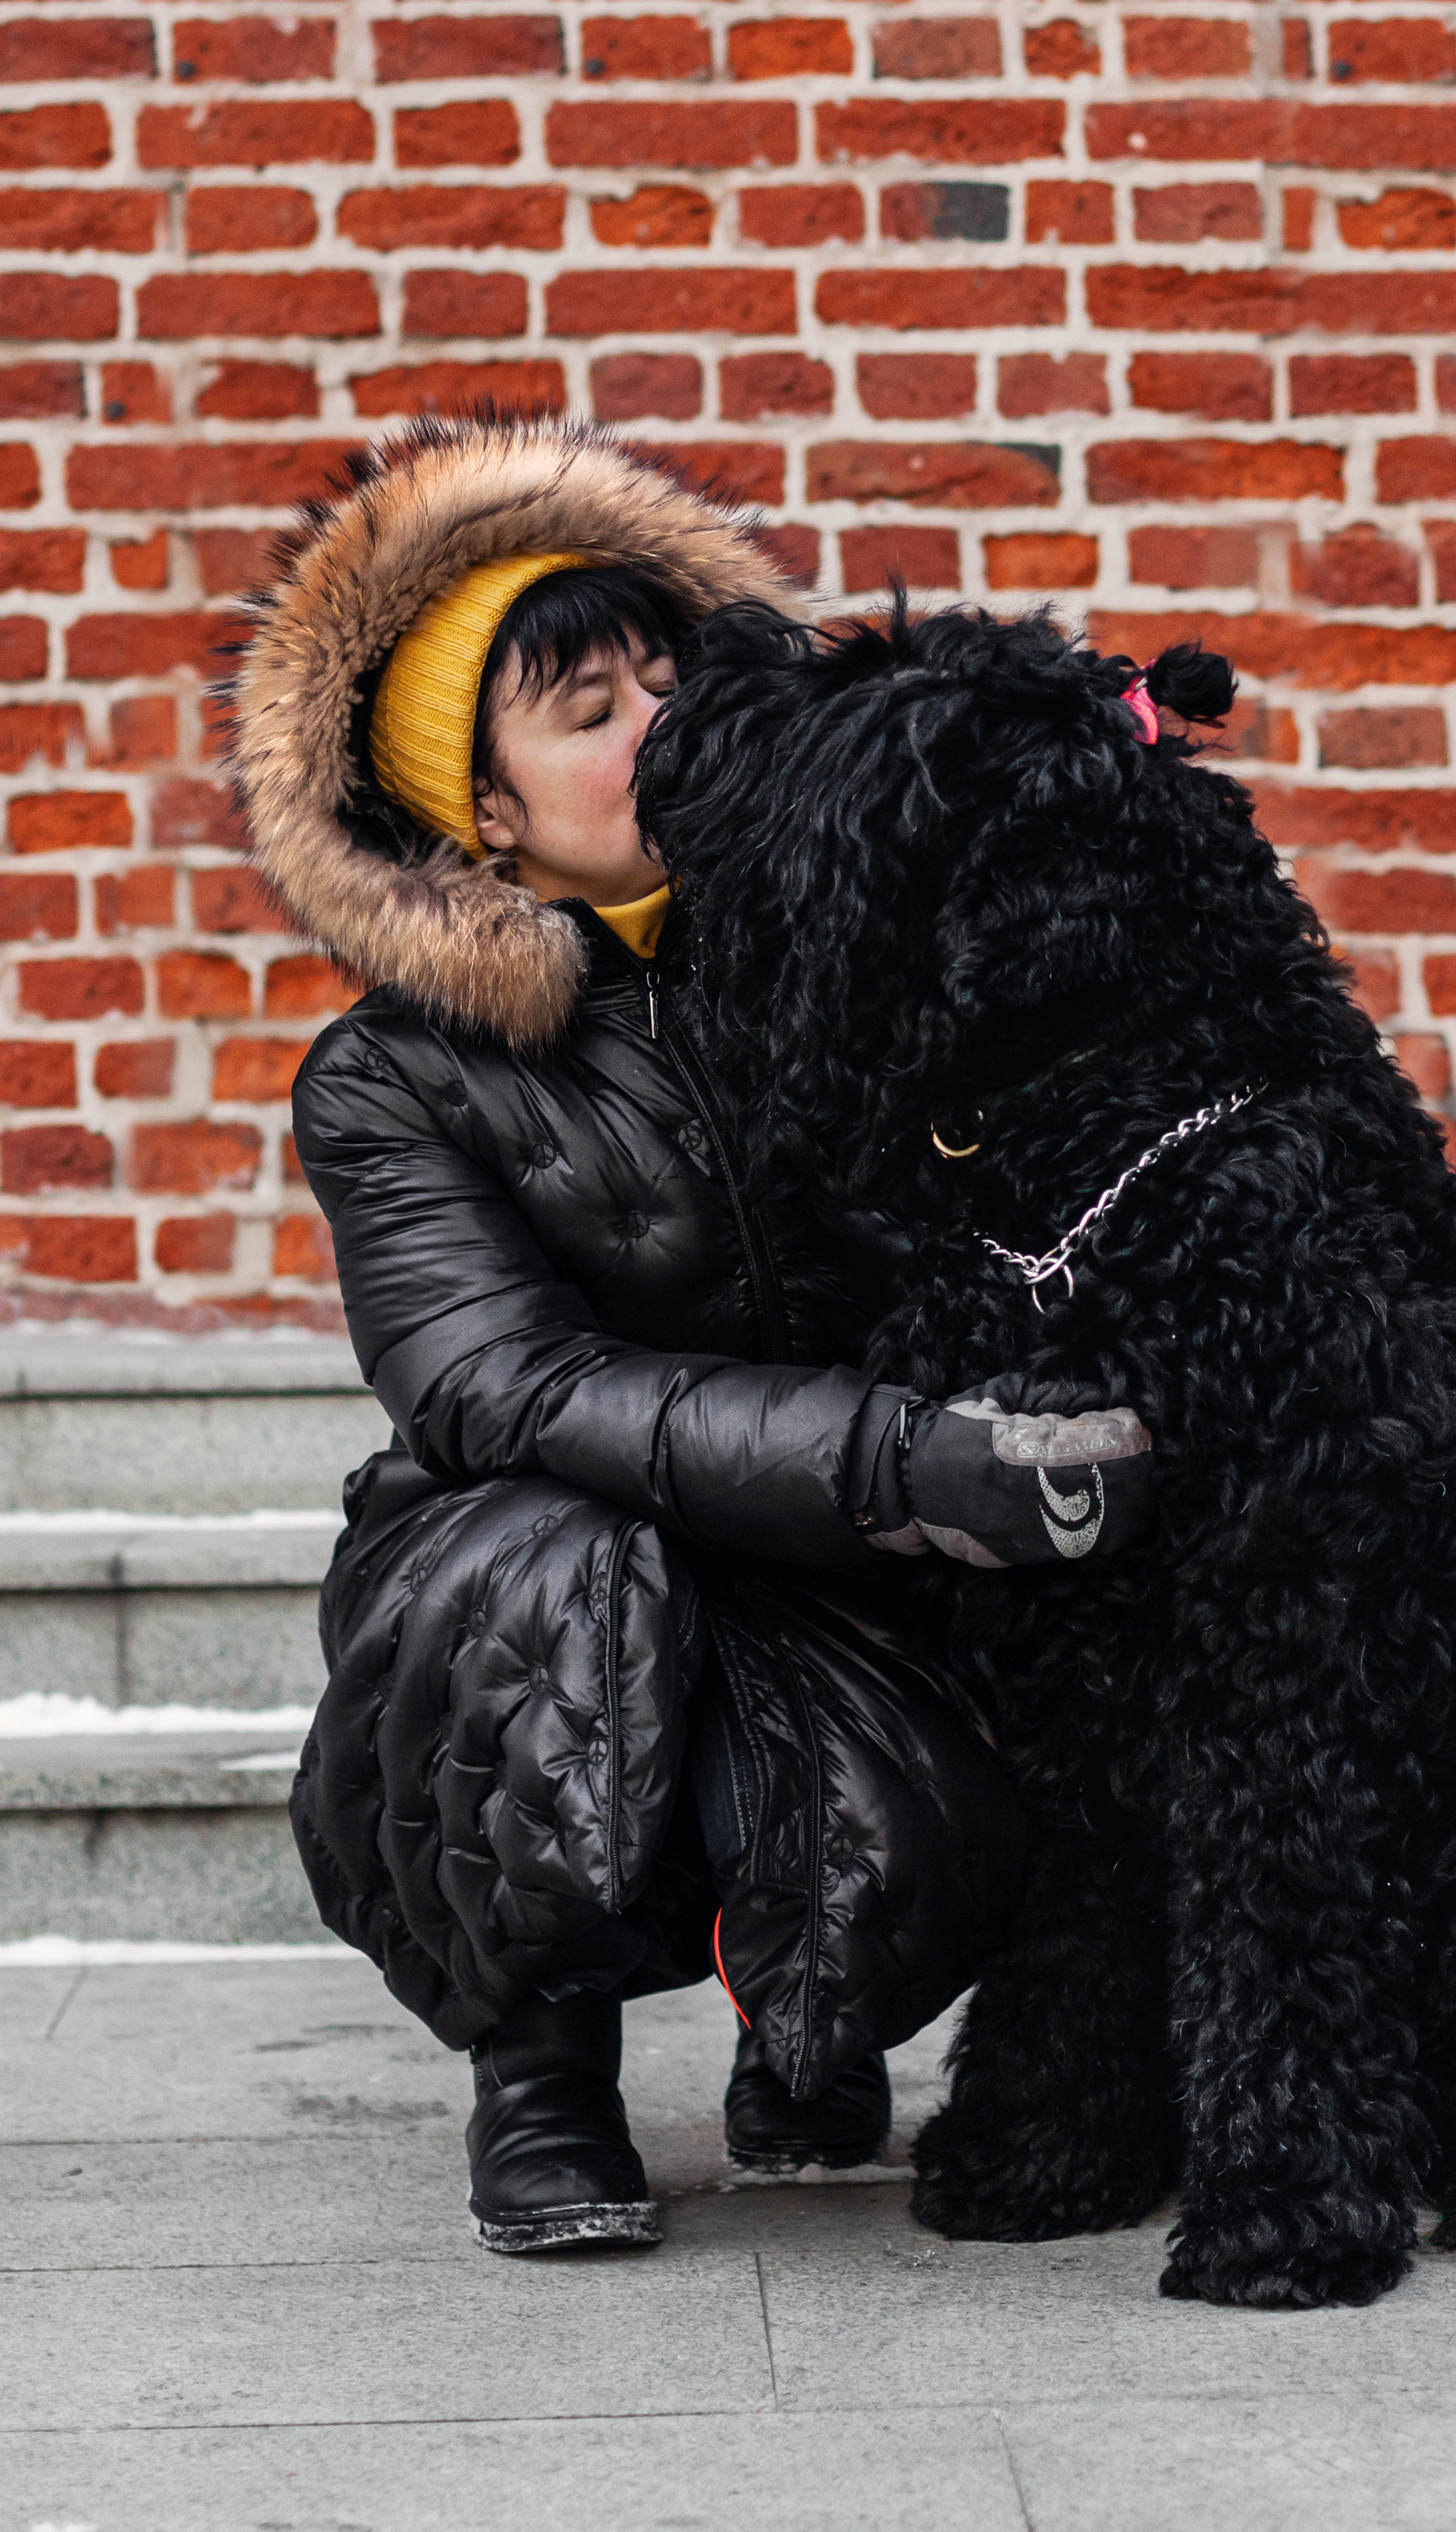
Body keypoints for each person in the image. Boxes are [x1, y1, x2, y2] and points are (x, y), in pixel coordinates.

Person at [230, 417, 1151, 2254]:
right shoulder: (393, 1076)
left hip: (839, 1547)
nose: (660, 721)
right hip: (537, 1561)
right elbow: (492, 1382)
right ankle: (543, 2072)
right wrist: (893, 1457)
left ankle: (807, 1995)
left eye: (676, 676)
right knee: (567, 1558)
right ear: (482, 810)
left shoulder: (838, 977)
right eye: (589, 710)